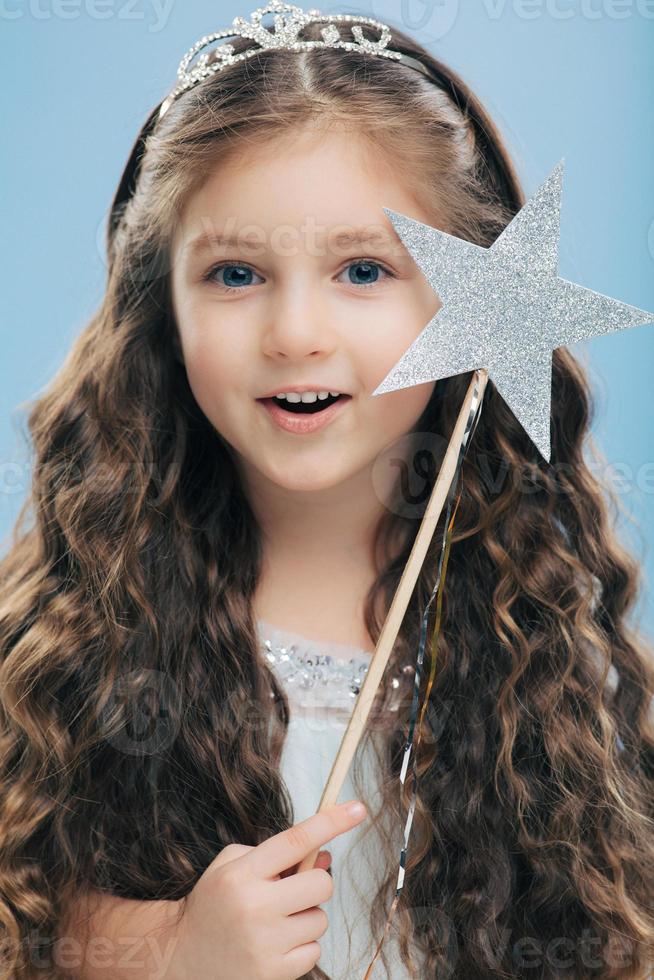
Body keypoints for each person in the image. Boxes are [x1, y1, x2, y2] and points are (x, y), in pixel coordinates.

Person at [0, 5, 653, 979]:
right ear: (159, 303)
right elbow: (30, 917)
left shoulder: (538, 635)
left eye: (362, 268)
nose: (295, 330)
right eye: (234, 271)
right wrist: (172, 950)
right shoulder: (82, 623)